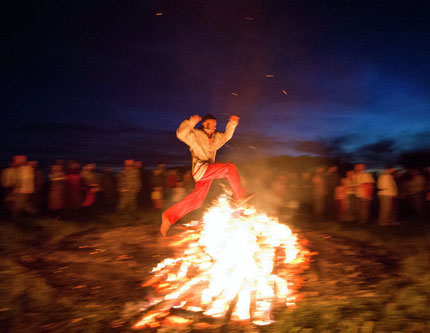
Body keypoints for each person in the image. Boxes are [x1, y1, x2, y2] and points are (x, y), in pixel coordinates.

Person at [160, 114, 253, 237]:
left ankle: (168, 217)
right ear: (204, 124)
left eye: (215, 123)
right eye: (212, 123)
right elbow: (181, 134)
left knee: (196, 202)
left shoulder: (216, 138)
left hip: (208, 171)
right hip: (200, 169)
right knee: (229, 168)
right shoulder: (195, 135)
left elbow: (227, 136)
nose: (214, 126)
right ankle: (239, 196)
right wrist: (190, 122)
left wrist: (232, 123)